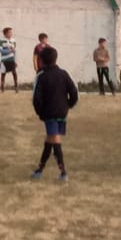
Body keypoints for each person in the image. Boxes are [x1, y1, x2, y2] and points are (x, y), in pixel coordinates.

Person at [30, 45, 79, 181]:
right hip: (62, 112)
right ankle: (40, 169)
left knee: (55, 139)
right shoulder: (64, 74)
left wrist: (40, 113)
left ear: (42, 61)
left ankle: (63, 173)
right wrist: (69, 105)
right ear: (56, 59)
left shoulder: (41, 76)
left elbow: (36, 99)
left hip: (49, 112)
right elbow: (74, 91)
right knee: (50, 139)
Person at [0, 27, 19, 92]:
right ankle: (2, 87)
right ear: (5, 34)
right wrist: (10, 51)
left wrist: (15, 61)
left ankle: (16, 87)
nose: (11, 33)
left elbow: (14, 51)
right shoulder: (2, 40)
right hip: (4, 60)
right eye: (9, 32)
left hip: (11, 59)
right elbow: (1, 50)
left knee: (14, 73)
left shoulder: (13, 40)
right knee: (3, 73)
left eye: (11, 32)